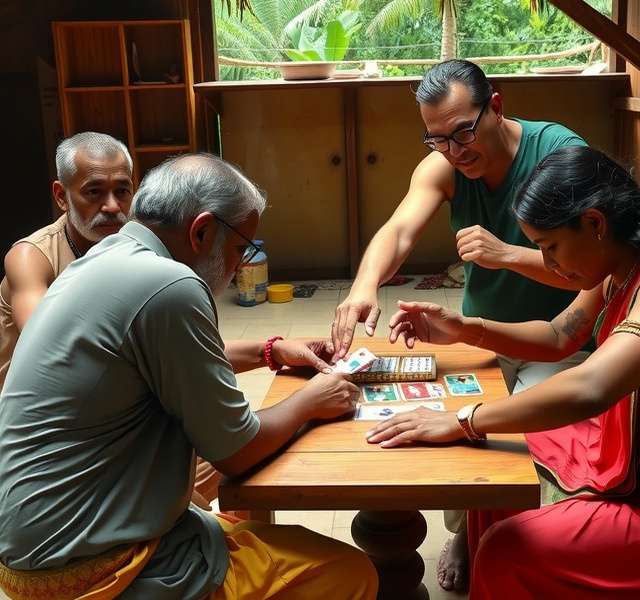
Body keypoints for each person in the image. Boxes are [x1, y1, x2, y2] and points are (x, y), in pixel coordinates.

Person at [365, 145, 640, 598]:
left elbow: (592, 387)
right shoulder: (624, 264)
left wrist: (462, 418)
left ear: (594, 223)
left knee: (505, 550)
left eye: (550, 248)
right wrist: (463, 329)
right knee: (496, 468)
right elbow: (557, 336)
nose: (548, 266)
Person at [0, 154, 378, 600]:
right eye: (241, 248)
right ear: (201, 231)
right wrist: (312, 400)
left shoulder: (104, 257)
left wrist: (268, 350)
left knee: (238, 517)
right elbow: (236, 452)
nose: (240, 265)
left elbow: (155, 360)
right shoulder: (172, 285)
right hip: (96, 566)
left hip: (34, 549)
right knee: (350, 572)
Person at [331, 59, 587, 590]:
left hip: (560, 339)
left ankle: (525, 543)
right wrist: (364, 286)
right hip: (480, 333)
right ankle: (467, 530)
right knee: (454, 429)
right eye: (437, 139)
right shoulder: (444, 165)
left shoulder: (560, 155)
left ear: (496, 106)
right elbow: (399, 228)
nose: (455, 149)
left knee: (533, 447)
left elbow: (593, 272)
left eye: (464, 131)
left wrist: (509, 255)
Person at [0, 131, 133, 390]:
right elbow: (45, 342)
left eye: (122, 191)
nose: (112, 206)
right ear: (62, 196)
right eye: (94, 192)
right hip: (28, 413)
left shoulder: (136, 244)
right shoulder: (32, 256)